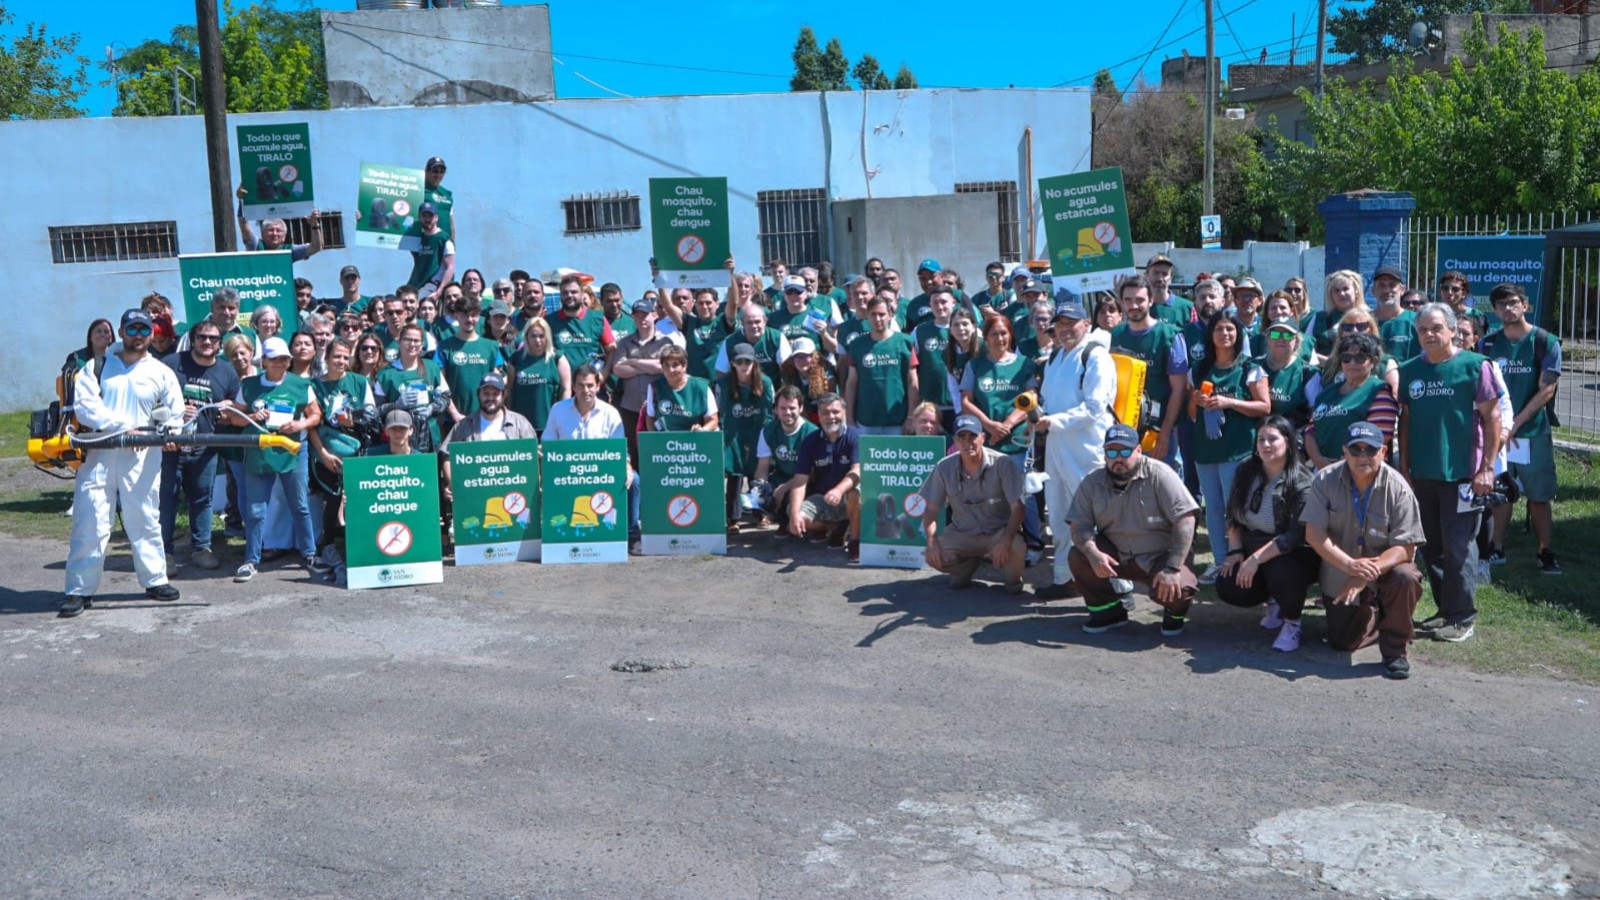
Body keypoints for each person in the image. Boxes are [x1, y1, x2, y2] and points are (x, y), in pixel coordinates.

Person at [61, 309, 186, 617]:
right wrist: (120, 427)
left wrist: (170, 433)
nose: (139, 335)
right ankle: (79, 590)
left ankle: (155, 580)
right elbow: (86, 407)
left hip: (142, 458)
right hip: (99, 454)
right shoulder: (98, 366)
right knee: (90, 522)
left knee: (144, 519)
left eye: (144, 329)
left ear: (152, 334)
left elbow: (176, 412)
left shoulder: (161, 372)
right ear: (122, 331)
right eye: (133, 329)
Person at [1397, 303, 1502, 644]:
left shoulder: (1476, 366)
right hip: (1423, 473)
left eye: (1437, 328)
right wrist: (1404, 469)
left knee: (1459, 548)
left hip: (1463, 475)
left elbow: (1493, 419)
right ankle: (1446, 611)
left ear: (1454, 329)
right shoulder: (1410, 370)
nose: (1429, 334)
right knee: (1433, 548)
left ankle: (1462, 617)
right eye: (1423, 329)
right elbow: (1406, 421)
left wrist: (1487, 468)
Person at [1304, 422, 1426, 679]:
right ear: (1344, 452)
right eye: (1355, 450)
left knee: (1406, 577)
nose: (1362, 457)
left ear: (1383, 451)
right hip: (1341, 567)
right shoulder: (1324, 480)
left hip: (1385, 568)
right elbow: (1313, 535)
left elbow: (1405, 547)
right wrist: (1349, 566)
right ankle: (1380, 616)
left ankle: (1395, 651)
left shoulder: (1399, 488)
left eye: (1370, 450)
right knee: (1342, 642)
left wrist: (1363, 575)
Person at [1066, 424, 1201, 635]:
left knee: (1180, 588)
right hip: (1118, 555)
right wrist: (1093, 554)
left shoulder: (1161, 474)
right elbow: (1079, 525)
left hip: (1161, 556)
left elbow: (1186, 520)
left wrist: (1173, 568)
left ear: (1138, 450)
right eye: (1111, 452)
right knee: (1078, 556)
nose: (1118, 458)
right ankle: (1109, 614)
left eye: (1125, 451)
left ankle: (1173, 614)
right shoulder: (1092, 482)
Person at [1035, 295, 1118, 599]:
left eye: (1072, 323)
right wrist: (1039, 416)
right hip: (1057, 449)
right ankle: (1064, 579)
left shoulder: (1095, 355)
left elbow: (1095, 407)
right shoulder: (1056, 357)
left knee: (1098, 518)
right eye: (1060, 324)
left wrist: (1053, 422)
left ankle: (1118, 586)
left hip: (1088, 450)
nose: (1065, 329)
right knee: (1058, 514)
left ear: (1086, 323)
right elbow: (1046, 399)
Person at [1214, 416, 1320, 652]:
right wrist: (1235, 551)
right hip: (1252, 544)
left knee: (1281, 568)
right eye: (1261, 439)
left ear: (1289, 443)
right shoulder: (1245, 469)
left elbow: (1294, 536)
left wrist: (1255, 560)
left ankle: (1293, 623)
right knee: (1227, 584)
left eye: (1273, 439)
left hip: (1292, 552)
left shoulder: (1302, 481)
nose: (1265, 445)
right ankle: (1275, 600)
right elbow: (1232, 513)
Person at [224, 336, 323, 584]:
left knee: (300, 505)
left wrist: (300, 423)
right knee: (256, 509)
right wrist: (252, 416)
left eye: (283, 359)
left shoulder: (301, 384)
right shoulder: (249, 385)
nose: (279, 363)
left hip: (292, 450)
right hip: (259, 452)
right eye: (274, 359)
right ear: (264, 361)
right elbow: (234, 419)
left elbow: (316, 415)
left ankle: (310, 554)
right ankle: (251, 560)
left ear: (289, 361)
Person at [1480, 282, 1562, 574]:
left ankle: (1545, 551)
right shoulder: (1487, 344)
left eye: (1513, 302)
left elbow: (1546, 390)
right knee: (1501, 491)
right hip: (1497, 435)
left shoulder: (1545, 341)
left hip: (1531, 433)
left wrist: (1514, 423)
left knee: (1539, 496)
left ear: (1525, 305)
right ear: (1494, 310)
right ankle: (1496, 548)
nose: (1508, 308)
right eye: (1501, 304)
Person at [1186, 310, 1270, 583]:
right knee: (1213, 508)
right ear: (1211, 335)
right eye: (1219, 329)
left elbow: (1264, 407)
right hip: (1206, 448)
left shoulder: (1250, 367)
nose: (1225, 334)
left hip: (1237, 448)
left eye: (1230, 330)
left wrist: (1229, 402)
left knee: (1236, 507)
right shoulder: (1199, 368)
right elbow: (1189, 414)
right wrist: (1197, 400)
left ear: (1238, 334)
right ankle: (1220, 561)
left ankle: (1242, 559)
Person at [159, 316, 241, 572]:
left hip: (205, 447)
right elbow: (151, 401)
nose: (207, 342)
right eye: (202, 337)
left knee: (202, 500)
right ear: (192, 340)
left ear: (219, 343)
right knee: (166, 499)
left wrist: (230, 408)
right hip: (170, 445)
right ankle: (163, 554)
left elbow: (236, 408)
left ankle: (201, 548)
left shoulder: (227, 372)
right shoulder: (172, 364)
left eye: (213, 338)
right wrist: (174, 414)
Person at [917, 414, 1028, 593]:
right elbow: (931, 509)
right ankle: (965, 569)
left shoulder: (1003, 463)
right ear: (955, 440)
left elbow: (1018, 507)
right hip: (963, 532)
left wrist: (1006, 539)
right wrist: (931, 541)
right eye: (962, 436)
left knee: (1016, 546)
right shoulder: (943, 467)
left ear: (982, 438)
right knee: (932, 555)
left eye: (973, 436)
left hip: (997, 532)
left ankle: (1012, 580)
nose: (968, 442)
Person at [542, 364, 642, 554]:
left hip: (601, 475)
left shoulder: (610, 413)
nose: (585, 390)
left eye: (590, 385)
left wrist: (627, 466)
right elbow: (548, 445)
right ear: (573, 387)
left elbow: (620, 450)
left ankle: (633, 535)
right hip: (568, 474)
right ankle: (556, 534)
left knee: (634, 479)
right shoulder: (558, 410)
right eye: (581, 385)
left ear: (598, 386)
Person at [306, 338, 376, 583]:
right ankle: (326, 546)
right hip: (326, 451)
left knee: (357, 498)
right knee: (333, 499)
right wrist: (323, 454)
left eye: (346, 357)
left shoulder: (359, 382)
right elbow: (311, 425)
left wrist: (353, 421)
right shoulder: (313, 386)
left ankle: (358, 546)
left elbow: (372, 416)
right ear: (326, 358)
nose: (342, 362)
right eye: (337, 357)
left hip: (355, 450)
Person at [1110, 275, 1189, 475]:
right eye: (1128, 300)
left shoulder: (1169, 335)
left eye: (1139, 300)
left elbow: (1178, 390)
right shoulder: (1115, 334)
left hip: (1156, 431)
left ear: (1151, 301)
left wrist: (1164, 433)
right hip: (1122, 428)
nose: (1133, 305)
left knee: (1159, 485)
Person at [1303, 332, 1399, 468]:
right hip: (1323, 470)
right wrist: (1318, 459)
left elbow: (1378, 438)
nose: (1352, 363)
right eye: (1346, 358)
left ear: (1374, 360)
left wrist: (1344, 463)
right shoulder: (1326, 394)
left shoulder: (1379, 391)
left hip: (1362, 470)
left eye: (1360, 358)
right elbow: (1310, 431)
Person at [786, 392, 862, 561]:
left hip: (848, 496)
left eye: (835, 412)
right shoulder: (810, 441)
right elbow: (800, 481)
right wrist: (795, 513)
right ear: (818, 415)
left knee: (855, 492)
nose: (830, 417)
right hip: (824, 498)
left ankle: (855, 540)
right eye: (825, 413)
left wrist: (838, 490)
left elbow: (857, 470)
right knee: (795, 516)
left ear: (844, 412)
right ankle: (837, 526)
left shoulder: (855, 436)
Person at [607, 296, 679, 461]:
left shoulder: (666, 342)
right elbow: (618, 369)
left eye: (645, 315)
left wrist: (633, 362)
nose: (642, 319)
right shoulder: (625, 342)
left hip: (660, 406)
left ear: (653, 315)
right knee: (635, 452)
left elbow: (662, 367)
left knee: (660, 451)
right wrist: (648, 367)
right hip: (631, 406)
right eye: (638, 315)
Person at [717, 343, 774, 527]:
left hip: (757, 429)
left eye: (748, 361)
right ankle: (733, 518)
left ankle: (760, 512)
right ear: (733, 363)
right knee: (735, 472)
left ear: (754, 363)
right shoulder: (723, 384)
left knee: (756, 472)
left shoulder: (765, 382)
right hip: (734, 431)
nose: (744, 365)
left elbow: (769, 411)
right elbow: (719, 410)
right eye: (739, 361)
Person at [845, 295, 918, 435]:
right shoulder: (857, 345)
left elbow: (912, 381)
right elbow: (851, 383)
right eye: (873, 314)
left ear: (890, 315)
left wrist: (910, 416)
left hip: (897, 419)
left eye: (882, 314)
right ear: (867, 315)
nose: (877, 319)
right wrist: (849, 418)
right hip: (866, 420)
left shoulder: (905, 342)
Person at [373, 323, 451, 453]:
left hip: (431, 435)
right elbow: (376, 411)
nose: (412, 344)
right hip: (399, 439)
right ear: (399, 341)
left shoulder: (432, 367)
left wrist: (432, 408)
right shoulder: (385, 374)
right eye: (408, 339)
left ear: (422, 344)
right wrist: (396, 405)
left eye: (416, 341)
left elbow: (446, 397)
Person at [752, 385, 818, 527]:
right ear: (775, 409)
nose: (788, 412)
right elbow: (763, 467)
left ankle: (785, 520)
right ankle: (769, 515)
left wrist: (784, 488)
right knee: (756, 497)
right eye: (783, 408)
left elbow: (812, 474)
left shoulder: (812, 433)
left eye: (792, 408)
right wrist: (761, 487)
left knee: (789, 499)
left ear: (800, 408)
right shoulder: (768, 431)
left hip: (806, 482)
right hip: (781, 476)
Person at [439, 296, 506, 422]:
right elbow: (441, 385)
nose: (470, 319)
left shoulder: (491, 347)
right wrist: (454, 413)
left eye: (474, 315)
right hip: (454, 419)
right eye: (465, 315)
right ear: (457, 316)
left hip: (487, 417)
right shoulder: (444, 347)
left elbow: (497, 383)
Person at [506, 316, 571, 436]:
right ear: (526, 337)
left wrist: (562, 416)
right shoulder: (515, 359)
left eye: (541, 336)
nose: (537, 340)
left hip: (549, 424)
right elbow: (509, 390)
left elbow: (566, 389)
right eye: (533, 336)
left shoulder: (558, 358)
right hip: (521, 425)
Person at [547, 273, 616, 372]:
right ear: (560, 295)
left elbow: (612, 351)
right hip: (560, 386)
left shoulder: (598, 319)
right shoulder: (549, 321)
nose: (569, 295)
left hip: (590, 386)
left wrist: (602, 376)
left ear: (582, 294)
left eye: (574, 292)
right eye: (565, 292)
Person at [235, 184, 322, 262]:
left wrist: (315, 225)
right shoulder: (255, 245)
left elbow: (316, 247)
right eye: (270, 230)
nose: (274, 233)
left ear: (284, 237)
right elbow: (243, 224)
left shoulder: (289, 251)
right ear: (263, 233)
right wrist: (242, 200)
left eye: (278, 230)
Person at [643, 345, 719, 433]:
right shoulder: (655, 387)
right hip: (666, 441)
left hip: (694, 441)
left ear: (684, 366)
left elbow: (713, 420)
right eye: (666, 365)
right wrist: (656, 439)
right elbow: (650, 418)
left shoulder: (702, 387)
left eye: (675, 365)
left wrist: (702, 430)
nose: (671, 370)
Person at [715, 302, 791, 384]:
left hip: (772, 388)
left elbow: (787, 371)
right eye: (749, 322)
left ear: (765, 321)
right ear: (742, 323)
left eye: (757, 322)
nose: (754, 326)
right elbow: (722, 373)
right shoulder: (730, 342)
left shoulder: (777, 337)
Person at [1258, 317, 1312, 428]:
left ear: (1296, 341)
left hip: (1292, 438)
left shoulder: (1307, 372)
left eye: (1288, 335)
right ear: (1267, 338)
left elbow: (1315, 413)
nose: (1281, 339)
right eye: (1275, 334)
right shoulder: (1254, 367)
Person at [405, 202, 455, 299]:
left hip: (433, 284)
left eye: (430, 216)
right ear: (419, 217)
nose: (427, 219)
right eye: (424, 216)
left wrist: (439, 292)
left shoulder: (444, 239)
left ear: (436, 218)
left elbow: (450, 267)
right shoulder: (417, 238)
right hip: (416, 283)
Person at [1144, 253, 1195, 326]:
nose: (1160, 278)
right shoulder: (1138, 306)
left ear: (1171, 278)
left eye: (1165, 274)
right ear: (1146, 275)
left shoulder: (1187, 308)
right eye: (1156, 273)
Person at [423, 156, 456, 242]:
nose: (438, 175)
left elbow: (451, 221)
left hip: (446, 243)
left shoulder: (447, 194)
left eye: (442, 172)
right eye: (435, 171)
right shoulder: (419, 190)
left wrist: (452, 243)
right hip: (427, 243)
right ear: (426, 172)